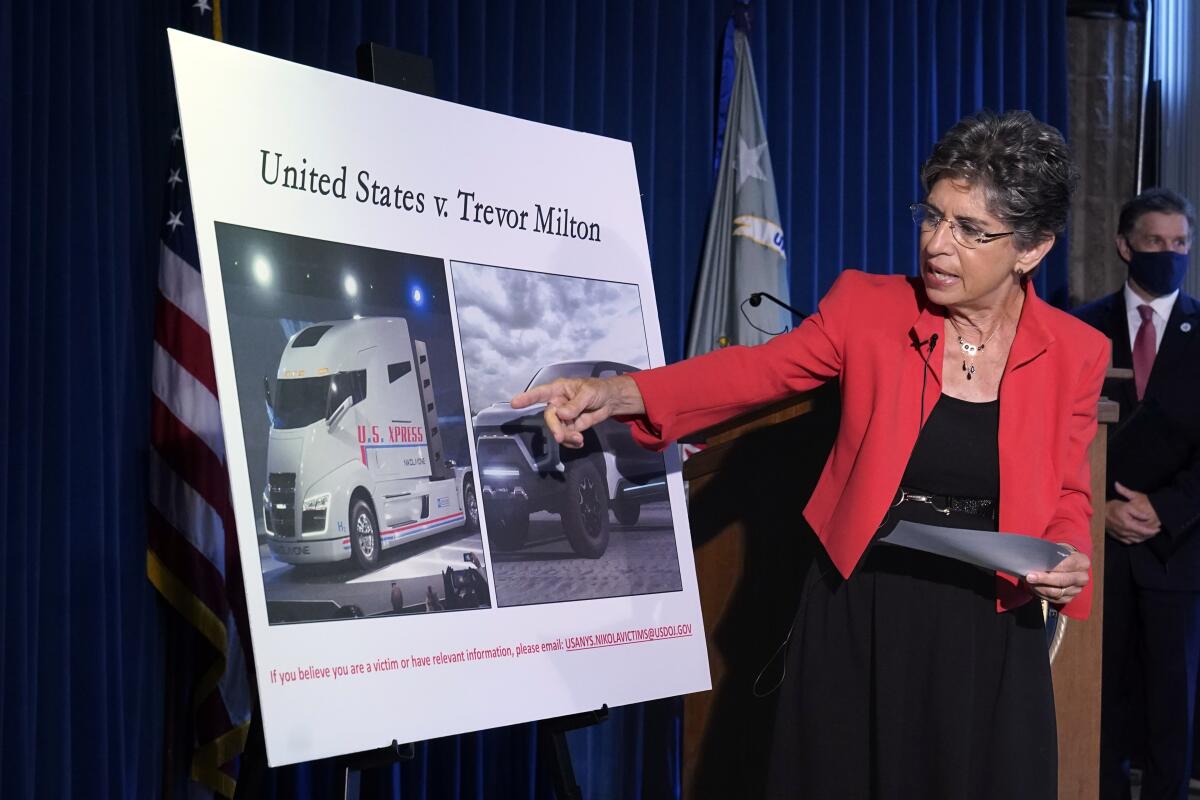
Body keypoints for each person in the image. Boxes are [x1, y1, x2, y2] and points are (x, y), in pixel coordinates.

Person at [514, 110, 1109, 798]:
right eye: (932, 216)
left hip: (985, 621)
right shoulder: (869, 307)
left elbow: (1067, 491)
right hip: (863, 601)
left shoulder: (1076, 351)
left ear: (1031, 249)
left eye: (970, 230)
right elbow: (754, 373)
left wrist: (1065, 555)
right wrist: (617, 392)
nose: (938, 245)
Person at [1074, 188, 1200, 800]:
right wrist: (1099, 508)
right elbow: (1052, 437)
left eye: (1180, 244)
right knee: (1100, 706)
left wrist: (1165, 508)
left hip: (1176, 553)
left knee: (1172, 716)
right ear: (1126, 246)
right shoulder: (1077, 327)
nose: (1169, 254)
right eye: (1155, 242)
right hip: (1096, 553)